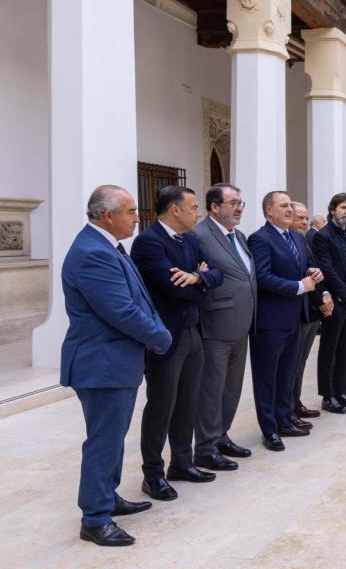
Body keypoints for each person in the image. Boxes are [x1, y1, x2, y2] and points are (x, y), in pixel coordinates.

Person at [62, 185, 172, 547]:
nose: (137, 217)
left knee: (112, 437)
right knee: (104, 441)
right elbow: (121, 311)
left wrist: (155, 330)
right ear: (107, 216)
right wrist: (161, 337)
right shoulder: (93, 253)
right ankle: (95, 518)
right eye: (131, 211)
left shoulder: (107, 246)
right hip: (102, 364)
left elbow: (138, 300)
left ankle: (107, 497)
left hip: (115, 362)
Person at [130, 186, 223, 500]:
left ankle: (182, 463)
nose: (198, 213)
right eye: (194, 207)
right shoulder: (148, 242)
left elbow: (217, 274)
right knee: (162, 405)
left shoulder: (191, 240)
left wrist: (197, 277)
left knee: (188, 401)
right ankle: (153, 474)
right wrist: (198, 279)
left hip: (193, 330)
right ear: (175, 210)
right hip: (166, 335)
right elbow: (174, 288)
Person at [247, 191, 324, 451]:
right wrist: (298, 286)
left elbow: (304, 268)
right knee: (267, 378)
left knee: (286, 375)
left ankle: (284, 420)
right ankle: (269, 430)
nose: (290, 209)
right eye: (284, 206)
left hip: (295, 318)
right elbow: (262, 277)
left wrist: (313, 272)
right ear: (269, 211)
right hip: (270, 321)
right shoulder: (260, 239)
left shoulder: (296, 237)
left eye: (290, 205)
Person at [192, 183, 257, 470]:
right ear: (214, 207)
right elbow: (196, 275)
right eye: (233, 203)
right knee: (212, 389)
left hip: (241, 323)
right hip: (215, 324)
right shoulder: (200, 236)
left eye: (241, 202)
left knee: (231, 388)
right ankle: (205, 448)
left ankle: (221, 436)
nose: (239, 207)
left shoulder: (238, 236)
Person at [313, 193, 346, 414]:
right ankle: (328, 396)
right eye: (343, 207)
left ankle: (341, 390)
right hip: (337, 302)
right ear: (332, 210)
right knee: (330, 350)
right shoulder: (323, 236)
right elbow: (328, 271)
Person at [287, 202, 332, 430]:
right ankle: (288, 408)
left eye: (306, 219)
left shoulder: (302, 241)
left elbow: (314, 272)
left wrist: (324, 294)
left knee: (300, 362)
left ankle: (296, 403)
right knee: (290, 365)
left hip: (310, 311)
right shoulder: (287, 242)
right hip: (294, 312)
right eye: (300, 218)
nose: (304, 222)